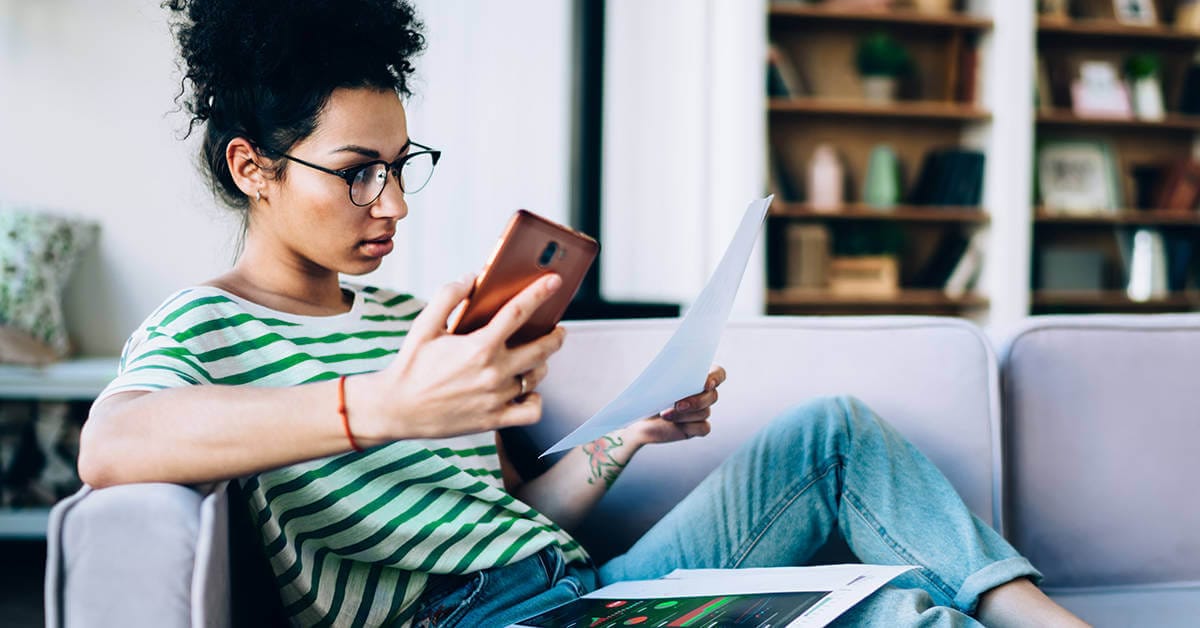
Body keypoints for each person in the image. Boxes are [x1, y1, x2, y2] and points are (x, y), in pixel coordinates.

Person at [78, 1, 1088, 626]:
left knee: (830, 435)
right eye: (356, 174)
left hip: (575, 586)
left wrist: (623, 441)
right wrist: (382, 404)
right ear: (252, 167)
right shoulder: (203, 328)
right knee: (899, 617)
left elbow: (513, 520)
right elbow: (113, 443)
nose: (392, 203)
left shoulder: (412, 319)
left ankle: (1039, 616)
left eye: (401, 167)